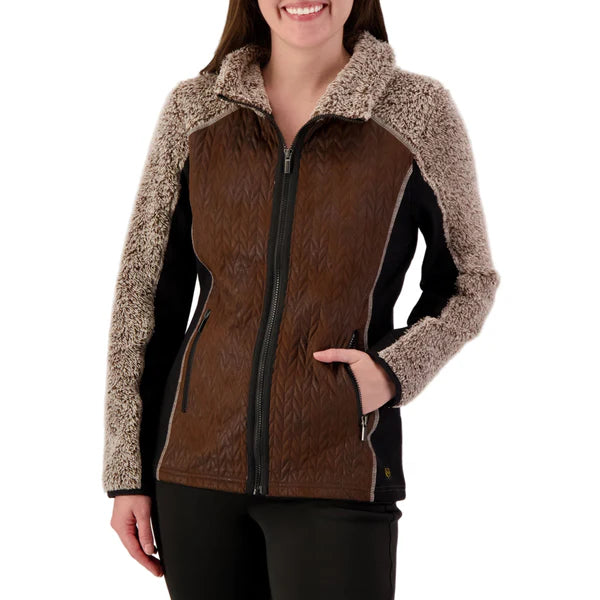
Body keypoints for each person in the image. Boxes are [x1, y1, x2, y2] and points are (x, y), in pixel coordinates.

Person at [102, 1, 500, 598]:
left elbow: (469, 280)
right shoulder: (196, 109)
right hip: (193, 471)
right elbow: (143, 297)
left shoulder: (416, 112)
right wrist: (127, 473)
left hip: (338, 471)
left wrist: (392, 371)